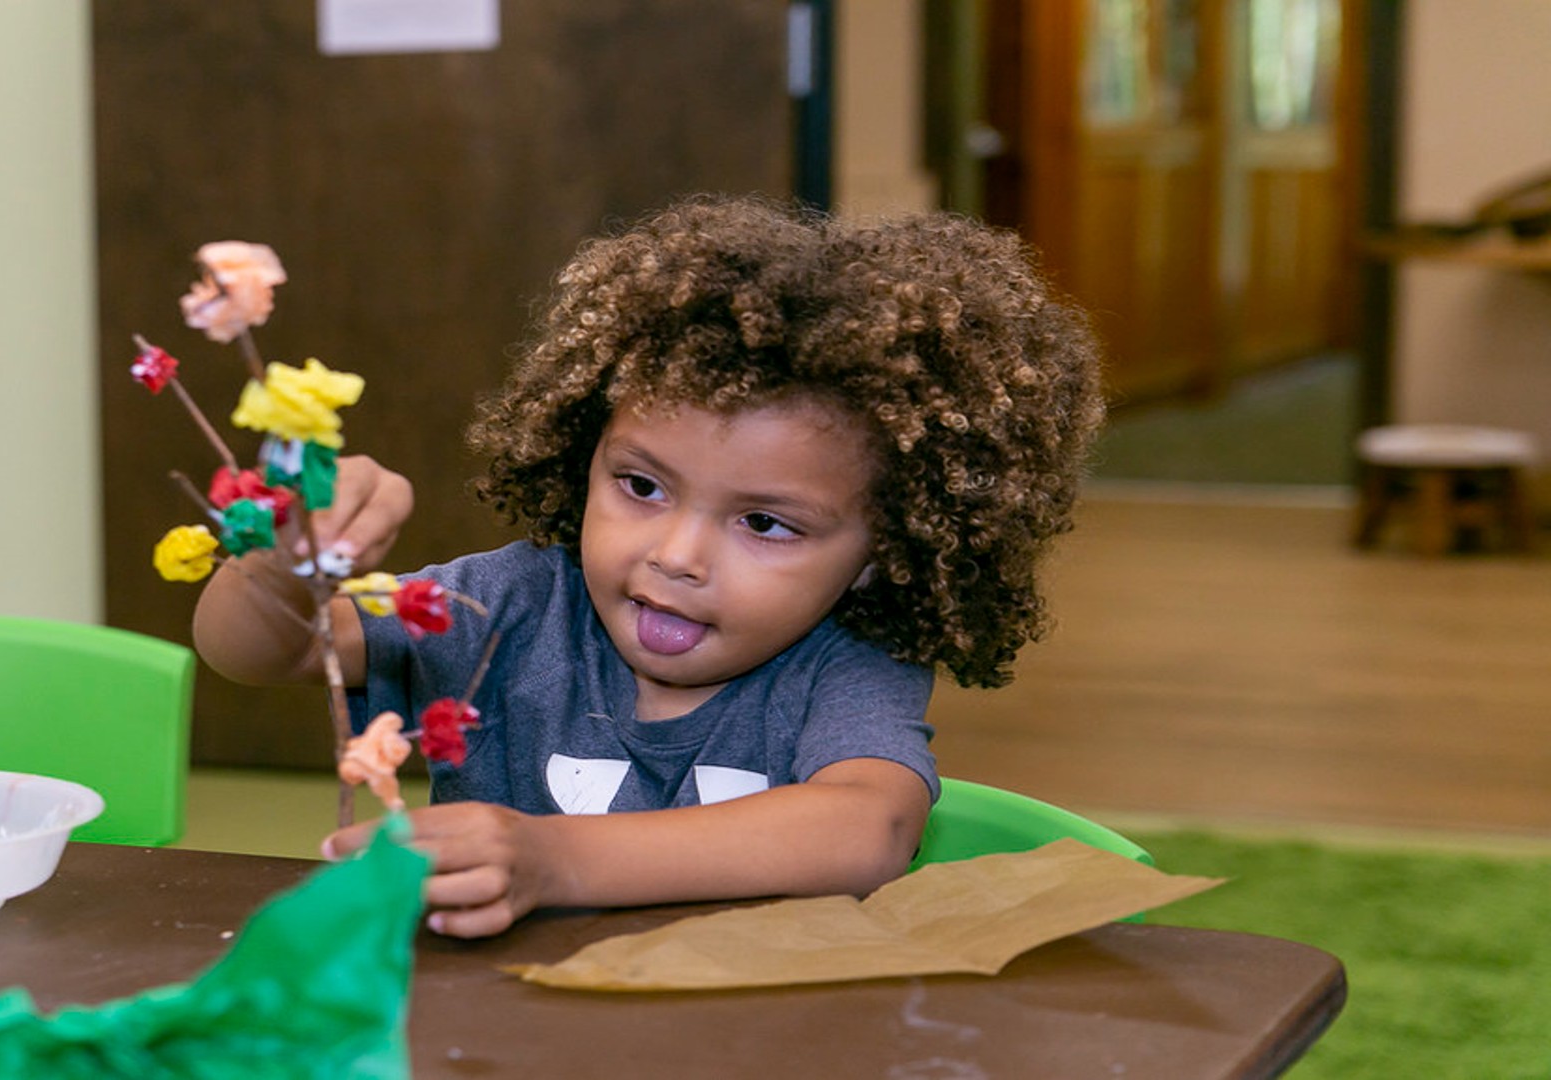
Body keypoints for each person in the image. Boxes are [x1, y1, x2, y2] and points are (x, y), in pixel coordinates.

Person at [193, 195, 1104, 938]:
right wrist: (282, 569)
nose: (675, 556)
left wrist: (553, 860)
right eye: (640, 485)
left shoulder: (846, 662)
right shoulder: (511, 602)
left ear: (884, 553)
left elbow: (871, 826)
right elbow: (257, 651)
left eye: (764, 523)